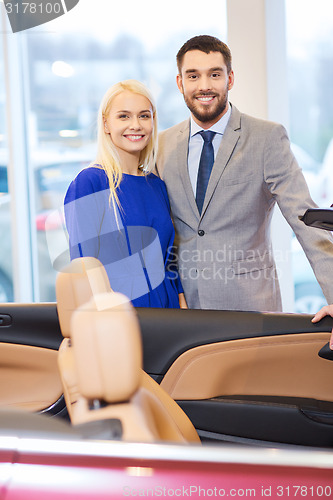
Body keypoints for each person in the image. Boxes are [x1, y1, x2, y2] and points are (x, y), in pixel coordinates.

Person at [156, 34, 333, 311]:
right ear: (180, 82)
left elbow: (305, 220)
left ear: (230, 78)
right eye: (193, 76)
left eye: (214, 74)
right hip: (184, 311)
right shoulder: (163, 144)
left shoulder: (267, 138)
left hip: (250, 308)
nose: (204, 86)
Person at [64, 79, 186, 308]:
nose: (136, 125)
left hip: (167, 311)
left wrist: (180, 300)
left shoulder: (156, 185)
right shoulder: (89, 182)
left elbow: (169, 257)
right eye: (124, 116)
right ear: (106, 124)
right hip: (118, 313)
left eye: (144, 115)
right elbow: (84, 268)